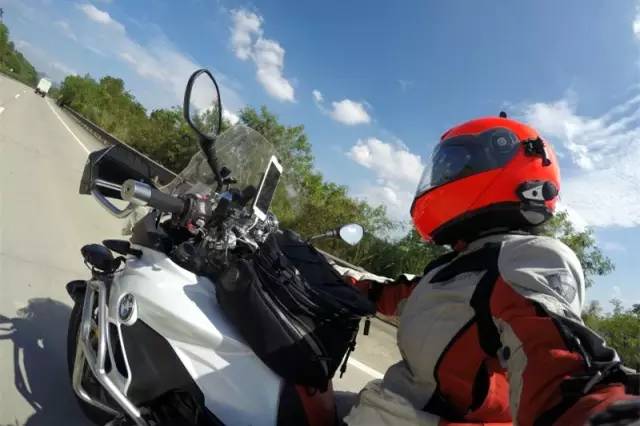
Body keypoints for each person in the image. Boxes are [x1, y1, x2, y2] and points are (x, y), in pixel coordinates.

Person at [344, 115, 639, 426]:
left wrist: (605, 412)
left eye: (455, 167)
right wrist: (340, 281)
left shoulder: (524, 258)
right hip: (383, 408)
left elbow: (558, 363)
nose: (443, 176)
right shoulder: (463, 263)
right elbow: (397, 294)